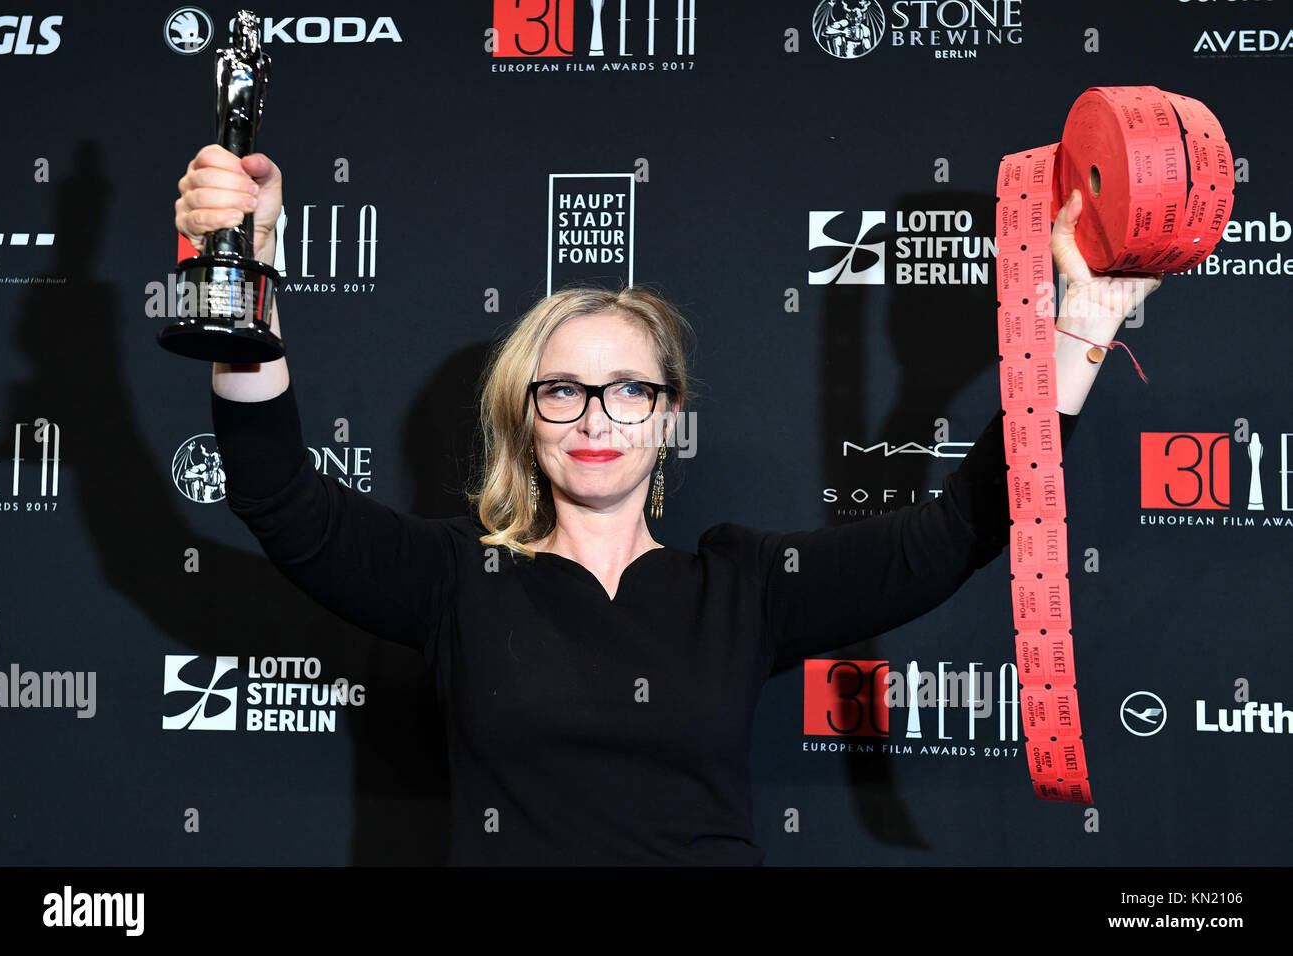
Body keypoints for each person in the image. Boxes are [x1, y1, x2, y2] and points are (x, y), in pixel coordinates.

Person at [176, 145, 1161, 865]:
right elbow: (277, 493)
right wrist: (244, 262)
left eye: (628, 389)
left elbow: (962, 529)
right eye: (560, 389)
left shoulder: (742, 586)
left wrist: (1075, 332)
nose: (594, 415)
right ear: (524, 416)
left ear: (667, 413)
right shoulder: (455, 583)